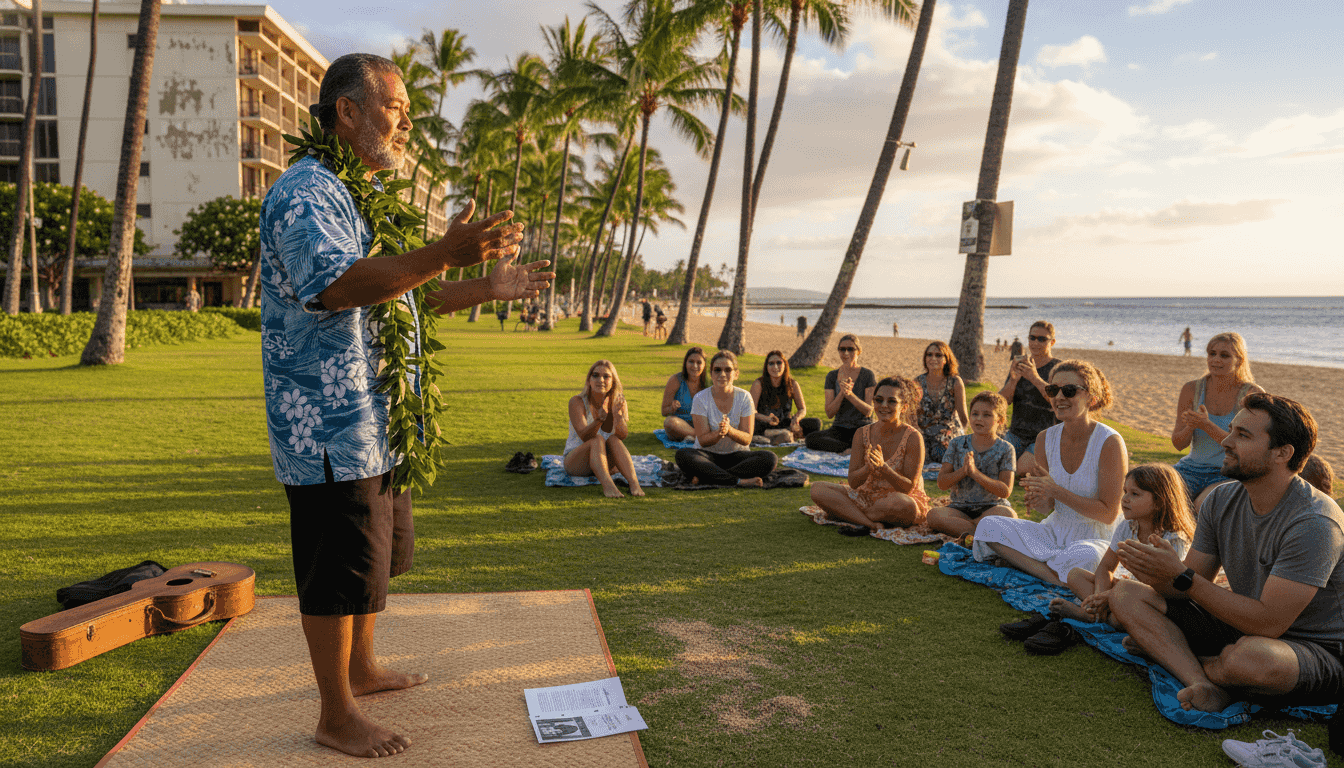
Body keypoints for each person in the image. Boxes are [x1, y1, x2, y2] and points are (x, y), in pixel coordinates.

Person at [259, 53, 550, 759]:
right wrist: (443, 253)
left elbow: (401, 289)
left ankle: (361, 668)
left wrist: (485, 286)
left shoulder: (359, 195)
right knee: (336, 567)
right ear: (347, 111)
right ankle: (335, 713)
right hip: (328, 422)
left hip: (377, 419)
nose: (406, 121)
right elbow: (340, 286)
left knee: (372, 558)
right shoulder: (307, 192)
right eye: (394, 105)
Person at [1109, 394, 1344, 714]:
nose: (1226, 441)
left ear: (1282, 453)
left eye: (1242, 435)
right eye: (1231, 430)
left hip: (1312, 649)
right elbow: (1186, 588)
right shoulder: (1221, 500)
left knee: (1253, 659)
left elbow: (1269, 623)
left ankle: (1178, 653)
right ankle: (1202, 682)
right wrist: (1158, 572)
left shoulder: (1314, 522)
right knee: (1125, 594)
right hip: (1242, 625)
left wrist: (1180, 578)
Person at [974, 360, 1126, 586]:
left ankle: (1040, 566)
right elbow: (1048, 508)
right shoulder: (1045, 438)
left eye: (1070, 391)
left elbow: (1108, 514)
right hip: (1055, 530)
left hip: (1097, 537)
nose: (1059, 397)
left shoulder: (1109, 442)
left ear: (1091, 398)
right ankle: (1052, 576)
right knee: (989, 526)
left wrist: (1055, 490)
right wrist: (1039, 498)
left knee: (1088, 558)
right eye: (1053, 390)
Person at [1048, 464, 1195, 627]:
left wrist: (1110, 596)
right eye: (1125, 492)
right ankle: (1098, 611)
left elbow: (1167, 591)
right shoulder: (1128, 526)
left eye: (1135, 494)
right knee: (1075, 575)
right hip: (1124, 589)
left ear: (1159, 502)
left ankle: (1091, 614)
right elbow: (1106, 567)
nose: (1125, 499)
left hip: (1156, 598)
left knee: (1120, 618)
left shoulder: (1174, 540)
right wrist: (1100, 595)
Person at [808, 376, 930, 534]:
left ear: (904, 407)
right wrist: (868, 468)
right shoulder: (862, 433)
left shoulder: (913, 437)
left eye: (892, 401)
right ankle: (870, 524)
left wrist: (883, 468)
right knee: (817, 489)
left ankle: (849, 514)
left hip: (897, 501)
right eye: (879, 400)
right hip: (866, 497)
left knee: (904, 505)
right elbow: (853, 482)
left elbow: (908, 488)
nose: (884, 406)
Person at [1171, 332, 1264, 507]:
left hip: (1229, 473)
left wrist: (1206, 425)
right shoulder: (1192, 389)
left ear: (1239, 360)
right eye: (1212, 354)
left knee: (1202, 505)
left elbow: (1247, 447)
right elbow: (1178, 444)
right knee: (1154, 496)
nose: (1216, 360)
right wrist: (1191, 426)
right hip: (1190, 469)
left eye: (1224, 355)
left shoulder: (1252, 394)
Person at [674, 350, 778, 487]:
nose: (722, 374)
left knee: (770, 459)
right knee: (683, 455)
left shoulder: (745, 397)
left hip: (737, 456)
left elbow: (747, 438)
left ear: (736, 374)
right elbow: (703, 440)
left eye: (727, 370)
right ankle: (737, 481)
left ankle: (708, 476)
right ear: (711, 374)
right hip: (707, 455)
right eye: (717, 370)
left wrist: (730, 431)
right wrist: (719, 433)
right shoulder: (700, 398)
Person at [927, 391, 1016, 543]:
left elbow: (1005, 490)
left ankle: (969, 533)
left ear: (1000, 420)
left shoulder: (1006, 449)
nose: (979, 419)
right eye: (975, 414)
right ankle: (981, 534)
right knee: (933, 515)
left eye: (987, 415)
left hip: (992, 508)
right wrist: (963, 472)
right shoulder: (956, 443)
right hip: (960, 510)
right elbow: (942, 483)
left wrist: (975, 474)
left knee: (1009, 515)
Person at [564, 360, 644, 498]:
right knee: (596, 439)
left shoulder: (618, 401)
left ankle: (634, 484)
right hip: (577, 462)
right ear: (589, 380)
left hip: (605, 462)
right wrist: (599, 420)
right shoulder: (577, 402)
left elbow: (622, 435)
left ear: (613, 381)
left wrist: (618, 417)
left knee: (613, 439)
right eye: (595, 375)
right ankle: (608, 486)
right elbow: (584, 436)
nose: (600, 380)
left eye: (606, 376)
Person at [999, 321, 1061, 476]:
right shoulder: (1021, 363)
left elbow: (1058, 401)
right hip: (1016, 433)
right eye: (1032, 338)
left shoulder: (1058, 368)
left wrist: (1034, 377)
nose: (1035, 343)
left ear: (1052, 342)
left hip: (1043, 437)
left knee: (1020, 470)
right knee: (995, 464)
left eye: (1042, 339)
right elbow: (1002, 402)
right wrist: (1014, 380)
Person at [804, 334, 876, 454]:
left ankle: (853, 448)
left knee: (870, 440)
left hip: (862, 428)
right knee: (811, 439)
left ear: (858, 351)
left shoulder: (868, 375)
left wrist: (850, 395)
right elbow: (829, 413)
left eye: (850, 349)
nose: (846, 353)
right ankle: (850, 449)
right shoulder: (832, 376)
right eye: (842, 349)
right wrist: (842, 394)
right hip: (839, 428)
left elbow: (868, 411)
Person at [914, 341, 968, 464]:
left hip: (947, 433)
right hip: (925, 435)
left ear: (946, 359)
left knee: (941, 452)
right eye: (929, 355)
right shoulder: (917, 382)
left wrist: (959, 438)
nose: (933, 358)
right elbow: (913, 416)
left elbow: (963, 418)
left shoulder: (955, 382)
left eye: (938, 355)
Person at [749, 350, 820, 442]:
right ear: (766, 367)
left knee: (815, 423)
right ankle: (785, 436)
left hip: (785, 423)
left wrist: (796, 418)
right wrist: (767, 419)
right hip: (764, 424)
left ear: (785, 365)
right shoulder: (758, 384)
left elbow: (802, 409)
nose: (775, 367)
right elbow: (750, 411)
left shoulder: (793, 384)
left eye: (779, 363)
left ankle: (783, 436)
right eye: (771, 363)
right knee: (754, 426)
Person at [661, 347, 709, 441]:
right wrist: (672, 408)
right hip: (681, 425)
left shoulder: (710, 383)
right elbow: (664, 411)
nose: (694, 366)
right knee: (669, 422)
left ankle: (695, 438)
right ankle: (701, 437)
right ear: (685, 363)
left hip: (703, 425)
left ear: (704, 365)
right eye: (691, 361)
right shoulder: (675, 380)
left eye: (699, 362)